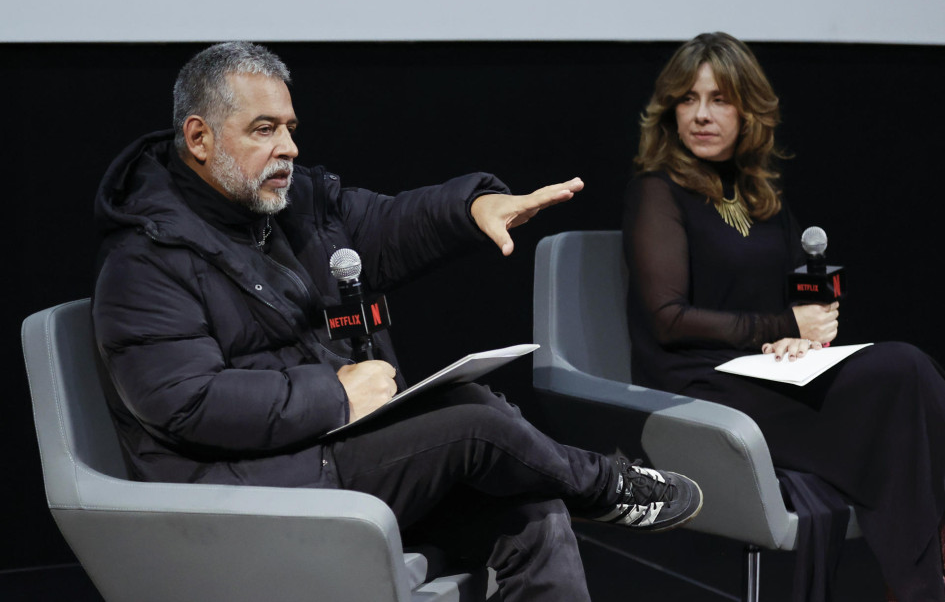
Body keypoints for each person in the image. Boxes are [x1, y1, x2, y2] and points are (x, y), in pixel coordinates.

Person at [92, 41, 703, 602]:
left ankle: (578, 488)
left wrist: (474, 205)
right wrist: (331, 395)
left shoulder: (290, 204)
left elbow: (390, 223)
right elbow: (185, 401)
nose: (289, 147)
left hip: (320, 450)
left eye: (290, 128)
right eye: (264, 129)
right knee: (473, 425)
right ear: (199, 138)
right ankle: (603, 486)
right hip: (241, 487)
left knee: (533, 510)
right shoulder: (144, 259)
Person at [622, 31, 945, 601]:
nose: (701, 115)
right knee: (904, 369)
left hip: (766, 374)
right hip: (699, 389)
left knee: (906, 377)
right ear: (669, 108)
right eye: (688, 99)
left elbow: (799, 299)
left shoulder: (761, 194)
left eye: (720, 99)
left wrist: (801, 342)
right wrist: (781, 330)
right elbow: (669, 320)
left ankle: (919, 577)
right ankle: (920, 578)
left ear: (749, 110)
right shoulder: (658, 190)